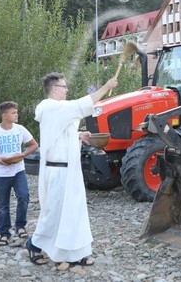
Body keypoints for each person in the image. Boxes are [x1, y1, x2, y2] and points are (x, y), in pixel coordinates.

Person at [26, 73, 117, 266]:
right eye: (64, 86)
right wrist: (106, 87)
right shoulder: (51, 107)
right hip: (58, 170)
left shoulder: (56, 110)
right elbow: (79, 106)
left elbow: (59, 133)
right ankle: (34, 244)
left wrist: (78, 135)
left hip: (68, 170)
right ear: (54, 88)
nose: (67, 90)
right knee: (54, 213)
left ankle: (76, 253)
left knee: (73, 212)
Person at [0, 101, 39, 247]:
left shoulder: (20, 129)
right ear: (5, 115)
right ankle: (4, 233)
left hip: (18, 171)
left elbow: (34, 145)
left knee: (23, 196)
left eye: (16, 112)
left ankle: (20, 226)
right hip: (1, 174)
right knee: (3, 205)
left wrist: (23, 154)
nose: (17, 115)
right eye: (14, 112)